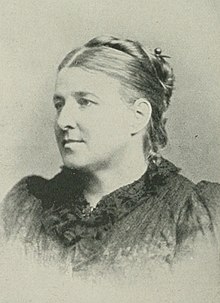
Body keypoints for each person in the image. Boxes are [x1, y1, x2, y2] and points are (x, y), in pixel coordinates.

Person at [1, 36, 220, 275]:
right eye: (59, 104)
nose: (63, 121)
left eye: (85, 102)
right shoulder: (25, 206)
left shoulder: (189, 212)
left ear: (137, 116)